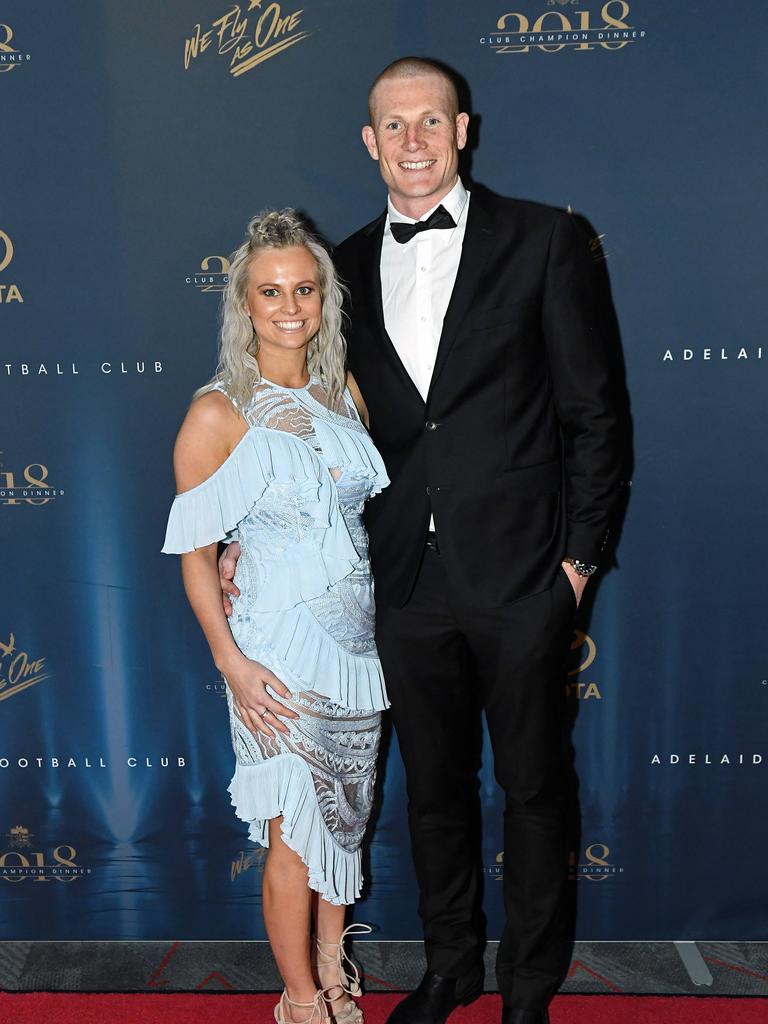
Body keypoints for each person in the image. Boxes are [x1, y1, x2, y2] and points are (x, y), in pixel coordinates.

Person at [221, 58, 624, 1024]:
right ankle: (451, 970)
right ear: (370, 142)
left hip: (525, 574)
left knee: (533, 790)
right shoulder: (342, 271)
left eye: (430, 122)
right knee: (433, 791)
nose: (412, 141)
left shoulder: (546, 240)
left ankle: (529, 987)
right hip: (393, 581)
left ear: (462, 130)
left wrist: (576, 567)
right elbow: (298, 412)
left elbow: (596, 416)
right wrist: (241, 532)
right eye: (393, 125)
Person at [163, 210, 390, 1024]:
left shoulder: (344, 392)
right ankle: (298, 1002)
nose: (289, 306)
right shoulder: (218, 413)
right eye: (271, 291)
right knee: (294, 830)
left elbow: (360, 517)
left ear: (325, 297)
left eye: (304, 289)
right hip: (274, 650)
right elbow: (196, 552)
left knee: (346, 822)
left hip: (358, 649)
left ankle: (334, 972)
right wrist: (229, 659)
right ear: (244, 304)